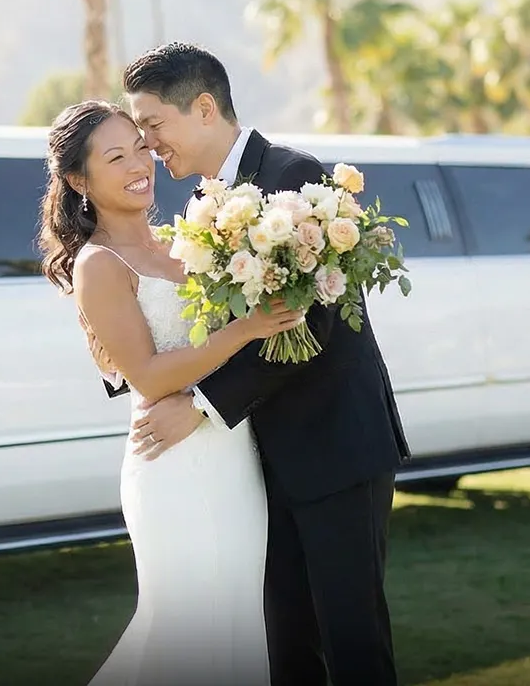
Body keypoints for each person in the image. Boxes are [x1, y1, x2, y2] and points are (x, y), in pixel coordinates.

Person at [91, 42, 411, 686]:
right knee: (284, 651)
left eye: (153, 125)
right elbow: (198, 321)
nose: (148, 146)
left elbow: (311, 322)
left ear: (204, 108)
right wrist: (120, 351)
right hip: (254, 469)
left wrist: (201, 404)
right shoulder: (198, 211)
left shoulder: (294, 175)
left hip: (336, 450)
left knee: (353, 643)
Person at [38, 99, 305, 686]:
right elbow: (151, 376)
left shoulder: (185, 240)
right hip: (172, 465)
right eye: (117, 157)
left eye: (141, 148)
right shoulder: (99, 265)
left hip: (234, 457)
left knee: (237, 624)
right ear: (80, 180)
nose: (141, 164)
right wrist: (248, 327)